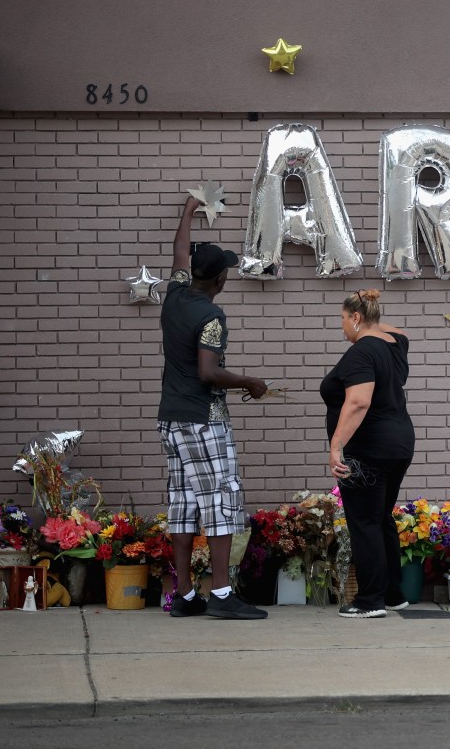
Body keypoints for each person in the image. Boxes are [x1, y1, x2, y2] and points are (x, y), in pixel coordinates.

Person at [158, 196, 269, 620]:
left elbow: (178, 251)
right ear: (220, 278)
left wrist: (187, 211)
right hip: (204, 420)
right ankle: (222, 593)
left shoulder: (175, 296)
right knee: (222, 500)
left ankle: (184, 594)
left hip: (170, 418)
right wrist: (248, 383)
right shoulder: (212, 315)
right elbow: (208, 372)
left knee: (183, 502)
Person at [321, 289, 415, 619]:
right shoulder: (394, 345)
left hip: (369, 449)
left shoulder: (361, 353)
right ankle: (393, 593)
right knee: (380, 516)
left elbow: (358, 402)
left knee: (364, 521)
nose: (343, 326)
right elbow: (397, 330)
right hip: (399, 443)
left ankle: (370, 600)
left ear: (356, 318)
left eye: (344, 319)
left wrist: (336, 447)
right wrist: (370, 319)